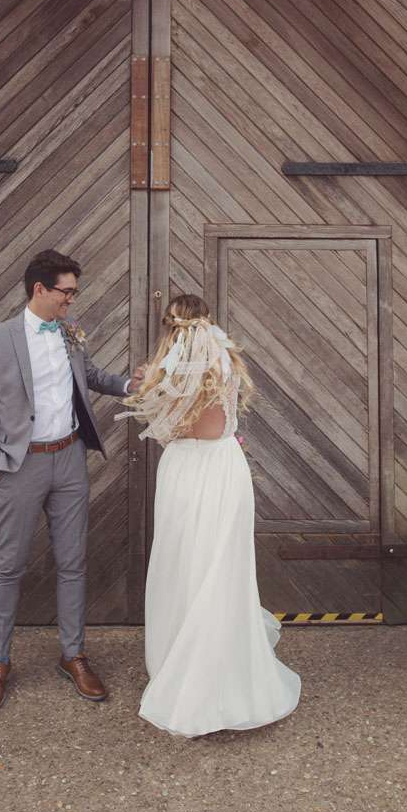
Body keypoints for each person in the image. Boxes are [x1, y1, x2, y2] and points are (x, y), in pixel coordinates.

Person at [117, 294, 301, 737]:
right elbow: (223, 422)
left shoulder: (169, 371)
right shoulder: (225, 362)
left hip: (185, 468)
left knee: (183, 563)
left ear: (170, 328)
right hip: (223, 467)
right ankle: (225, 667)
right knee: (222, 566)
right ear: (208, 322)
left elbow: (168, 431)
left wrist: (149, 385)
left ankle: (182, 666)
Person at [0, 249, 143, 715]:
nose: (72, 299)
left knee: (73, 562)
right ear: (39, 289)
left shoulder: (69, 332)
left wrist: (131, 385)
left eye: (74, 292)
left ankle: (73, 655)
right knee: (9, 565)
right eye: (67, 292)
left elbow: (91, 377)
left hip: (69, 460)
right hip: (19, 466)